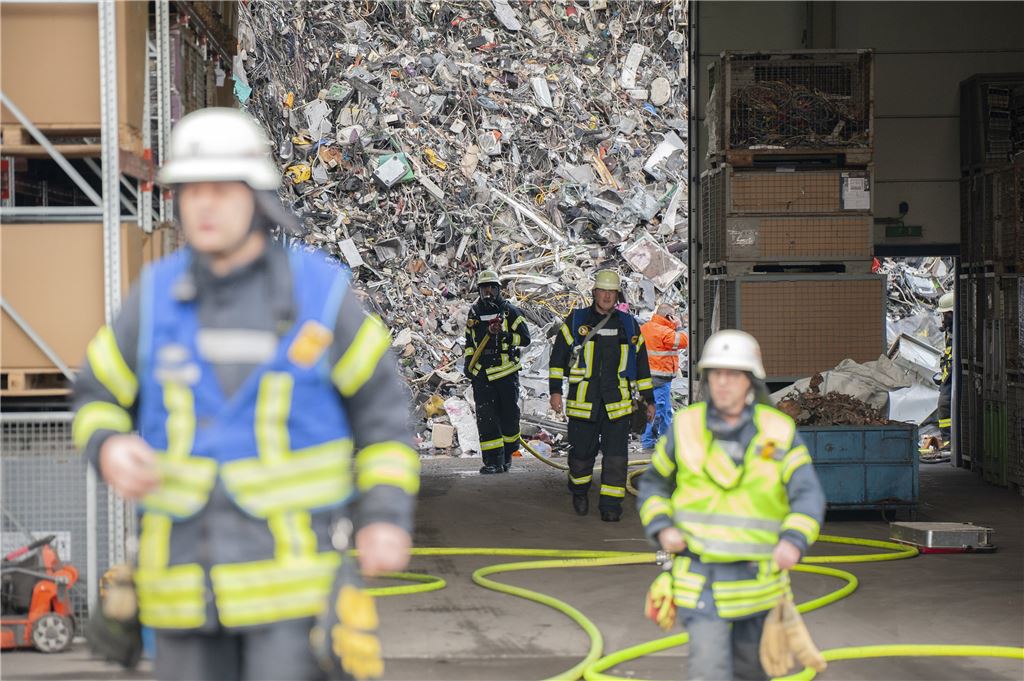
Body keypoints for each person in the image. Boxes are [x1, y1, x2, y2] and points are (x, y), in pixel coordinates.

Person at [72, 108, 419, 681]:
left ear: (256, 196)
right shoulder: (154, 300)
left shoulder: (323, 298)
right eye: (191, 190)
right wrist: (108, 444)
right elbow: (95, 393)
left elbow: (383, 420)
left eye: (220, 189)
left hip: (289, 600)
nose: (203, 204)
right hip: (180, 594)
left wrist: (384, 516)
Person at [637, 330, 826, 681]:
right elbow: (652, 486)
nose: (723, 383)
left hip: (760, 585)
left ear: (750, 381)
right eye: (716, 374)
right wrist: (662, 527)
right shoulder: (685, 427)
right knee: (710, 670)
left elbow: (807, 494)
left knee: (753, 672)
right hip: (700, 582)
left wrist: (794, 540)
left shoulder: (779, 432)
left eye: (733, 374)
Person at [548, 270, 655, 521]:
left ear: (617, 295)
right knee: (582, 456)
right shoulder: (576, 322)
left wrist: (649, 399)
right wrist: (555, 392)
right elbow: (557, 359)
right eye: (602, 291)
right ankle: (580, 492)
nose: (607, 296)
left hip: (617, 406)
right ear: (594, 292)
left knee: (617, 458)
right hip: (583, 404)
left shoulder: (628, 325)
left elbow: (642, 365)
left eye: (611, 292)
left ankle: (611, 506)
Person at [463, 269, 531, 474]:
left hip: (506, 373)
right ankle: (492, 461)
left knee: (509, 417)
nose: (488, 292)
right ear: (479, 291)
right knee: (486, 418)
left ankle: (508, 453)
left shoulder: (509, 311)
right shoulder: (474, 312)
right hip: (482, 374)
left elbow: (525, 339)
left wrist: (506, 337)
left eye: (492, 288)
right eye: (484, 289)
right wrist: (469, 363)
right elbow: (469, 341)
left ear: (498, 289)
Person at [640, 304, 688, 451]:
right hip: (660, 377)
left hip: (647, 376)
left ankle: (664, 440)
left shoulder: (646, 327)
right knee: (659, 410)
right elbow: (684, 341)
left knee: (661, 409)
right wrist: (680, 326)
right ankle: (650, 442)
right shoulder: (666, 332)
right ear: (669, 316)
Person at [936, 291, 954, 449]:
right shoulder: (951, 331)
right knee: (944, 406)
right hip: (948, 377)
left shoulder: (959, 332)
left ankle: (949, 441)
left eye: (946, 314)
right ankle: (948, 442)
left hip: (954, 378)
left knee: (945, 405)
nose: (943, 318)